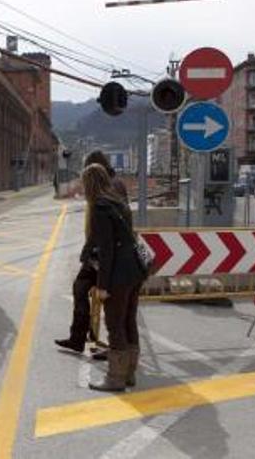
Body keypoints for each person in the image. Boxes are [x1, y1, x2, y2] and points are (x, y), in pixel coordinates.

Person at [55, 151, 127, 355]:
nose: (83, 187)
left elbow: (108, 240)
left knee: (114, 309)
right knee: (80, 288)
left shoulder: (108, 194)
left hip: (107, 257)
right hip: (97, 254)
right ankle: (79, 337)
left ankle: (113, 352)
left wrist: (102, 278)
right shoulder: (109, 189)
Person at [83, 163, 145, 392]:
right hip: (135, 270)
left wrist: (102, 286)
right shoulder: (118, 203)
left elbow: (107, 250)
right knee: (129, 320)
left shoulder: (99, 207)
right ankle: (129, 374)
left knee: (114, 324)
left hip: (118, 273)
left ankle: (115, 379)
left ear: (89, 184)